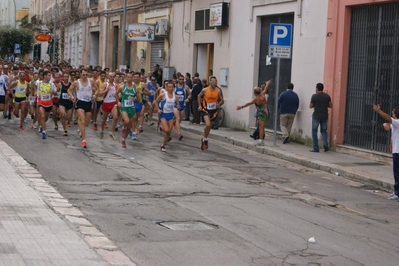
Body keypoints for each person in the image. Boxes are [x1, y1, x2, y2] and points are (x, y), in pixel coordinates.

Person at [373, 104, 399, 201]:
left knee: (397, 174)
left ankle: (397, 193)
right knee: (396, 173)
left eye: (393, 112)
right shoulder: (395, 124)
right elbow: (389, 125)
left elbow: (388, 118)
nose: (392, 114)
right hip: (396, 151)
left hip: (398, 152)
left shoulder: (398, 122)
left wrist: (379, 111)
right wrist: (386, 125)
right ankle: (396, 191)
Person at [68, 68, 98, 148]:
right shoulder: (76, 82)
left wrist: (95, 95)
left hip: (88, 102)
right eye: (83, 75)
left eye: (86, 75)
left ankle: (80, 124)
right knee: (83, 119)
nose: (85, 76)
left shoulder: (91, 81)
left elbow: (97, 89)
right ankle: (84, 140)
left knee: (86, 123)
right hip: (80, 102)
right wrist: (72, 97)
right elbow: (69, 90)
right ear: (80, 74)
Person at [236, 80, 271, 146]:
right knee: (263, 127)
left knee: (261, 128)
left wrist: (241, 107)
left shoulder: (256, 99)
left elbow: (248, 103)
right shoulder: (262, 95)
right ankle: (261, 139)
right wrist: (267, 84)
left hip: (261, 114)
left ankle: (260, 141)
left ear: (254, 93)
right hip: (266, 113)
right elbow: (266, 89)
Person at [152, 80, 181, 152]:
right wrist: (158, 109)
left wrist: (178, 106)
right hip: (164, 114)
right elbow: (156, 101)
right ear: (167, 88)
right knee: (167, 130)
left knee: (169, 132)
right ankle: (161, 126)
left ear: (174, 88)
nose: (171, 88)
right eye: (169, 87)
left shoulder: (176, 96)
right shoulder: (163, 95)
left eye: (172, 87)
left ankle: (163, 145)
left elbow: (177, 104)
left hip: (171, 115)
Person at [197, 76, 224, 150]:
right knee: (208, 124)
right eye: (213, 81)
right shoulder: (205, 90)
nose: (215, 83)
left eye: (216, 81)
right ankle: (205, 139)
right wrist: (199, 105)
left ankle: (204, 138)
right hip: (205, 110)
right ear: (210, 82)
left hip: (214, 111)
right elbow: (199, 96)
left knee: (209, 127)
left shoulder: (218, 91)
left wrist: (219, 104)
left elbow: (222, 100)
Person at [115, 72, 140, 148]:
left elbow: (139, 99)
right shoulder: (122, 87)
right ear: (126, 78)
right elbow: (115, 94)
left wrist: (135, 98)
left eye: (130, 77)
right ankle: (123, 128)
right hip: (124, 107)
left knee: (129, 126)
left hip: (131, 108)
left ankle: (123, 139)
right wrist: (118, 102)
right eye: (128, 77)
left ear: (132, 78)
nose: (129, 79)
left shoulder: (136, 88)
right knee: (126, 121)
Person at [309, 83, 332, 152]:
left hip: (316, 116)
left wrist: (316, 104)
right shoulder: (327, 96)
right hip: (325, 115)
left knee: (314, 131)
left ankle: (316, 148)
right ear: (322, 88)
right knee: (324, 131)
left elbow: (310, 106)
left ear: (316, 88)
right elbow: (330, 105)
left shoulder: (314, 96)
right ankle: (325, 144)